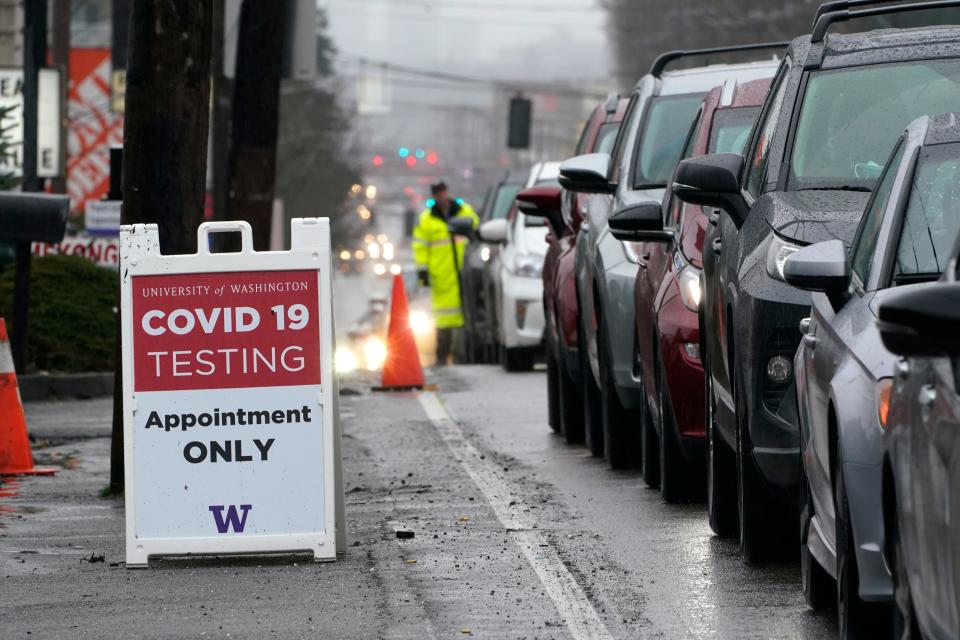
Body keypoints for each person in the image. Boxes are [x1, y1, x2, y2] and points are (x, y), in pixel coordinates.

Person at [412, 181, 479, 365]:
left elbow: (476, 232)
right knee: (443, 320)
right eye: (436, 194)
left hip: (464, 273)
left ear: (446, 192)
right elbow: (420, 247)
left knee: (466, 317)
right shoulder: (426, 219)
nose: (440, 197)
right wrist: (423, 272)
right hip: (441, 275)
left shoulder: (464, 210)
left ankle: (463, 357)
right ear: (433, 196)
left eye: (442, 193)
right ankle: (442, 356)